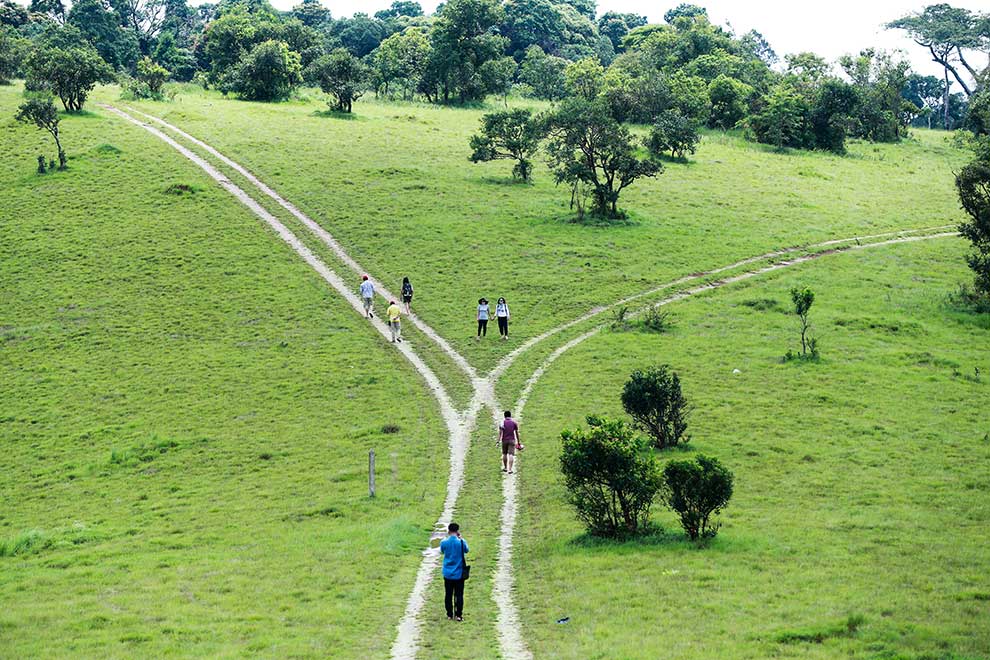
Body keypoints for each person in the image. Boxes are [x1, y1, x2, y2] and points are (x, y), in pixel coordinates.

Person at [439, 522, 469, 621]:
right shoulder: (461, 542)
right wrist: (461, 538)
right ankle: (458, 615)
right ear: (457, 531)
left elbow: (442, 551)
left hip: (447, 573)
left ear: (449, 531)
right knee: (459, 595)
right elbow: (466, 550)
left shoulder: (444, 542)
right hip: (459, 573)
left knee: (448, 594)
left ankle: (449, 614)